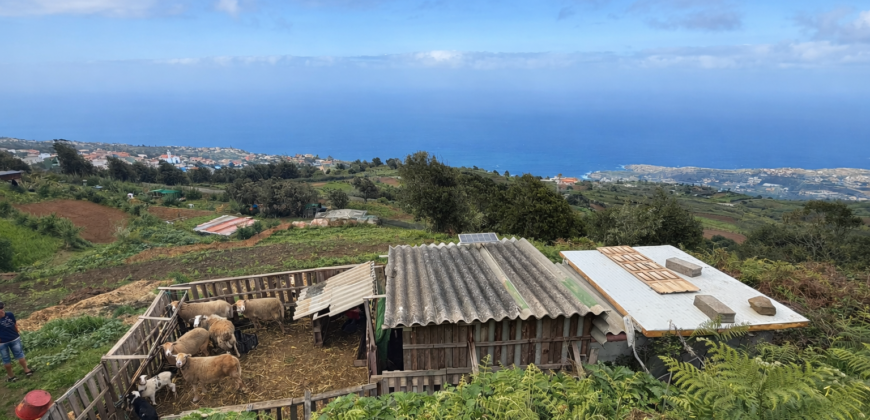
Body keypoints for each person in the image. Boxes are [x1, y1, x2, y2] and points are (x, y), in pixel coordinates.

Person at [0, 301, 35, 382]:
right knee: (19, 355)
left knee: (6, 359)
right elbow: (15, 325)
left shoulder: (9, 314)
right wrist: (17, 333)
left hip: (3, 342)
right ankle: (27, 370)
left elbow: (15, 325)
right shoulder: (9, 314)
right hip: (14, 338)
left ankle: (12, 376)